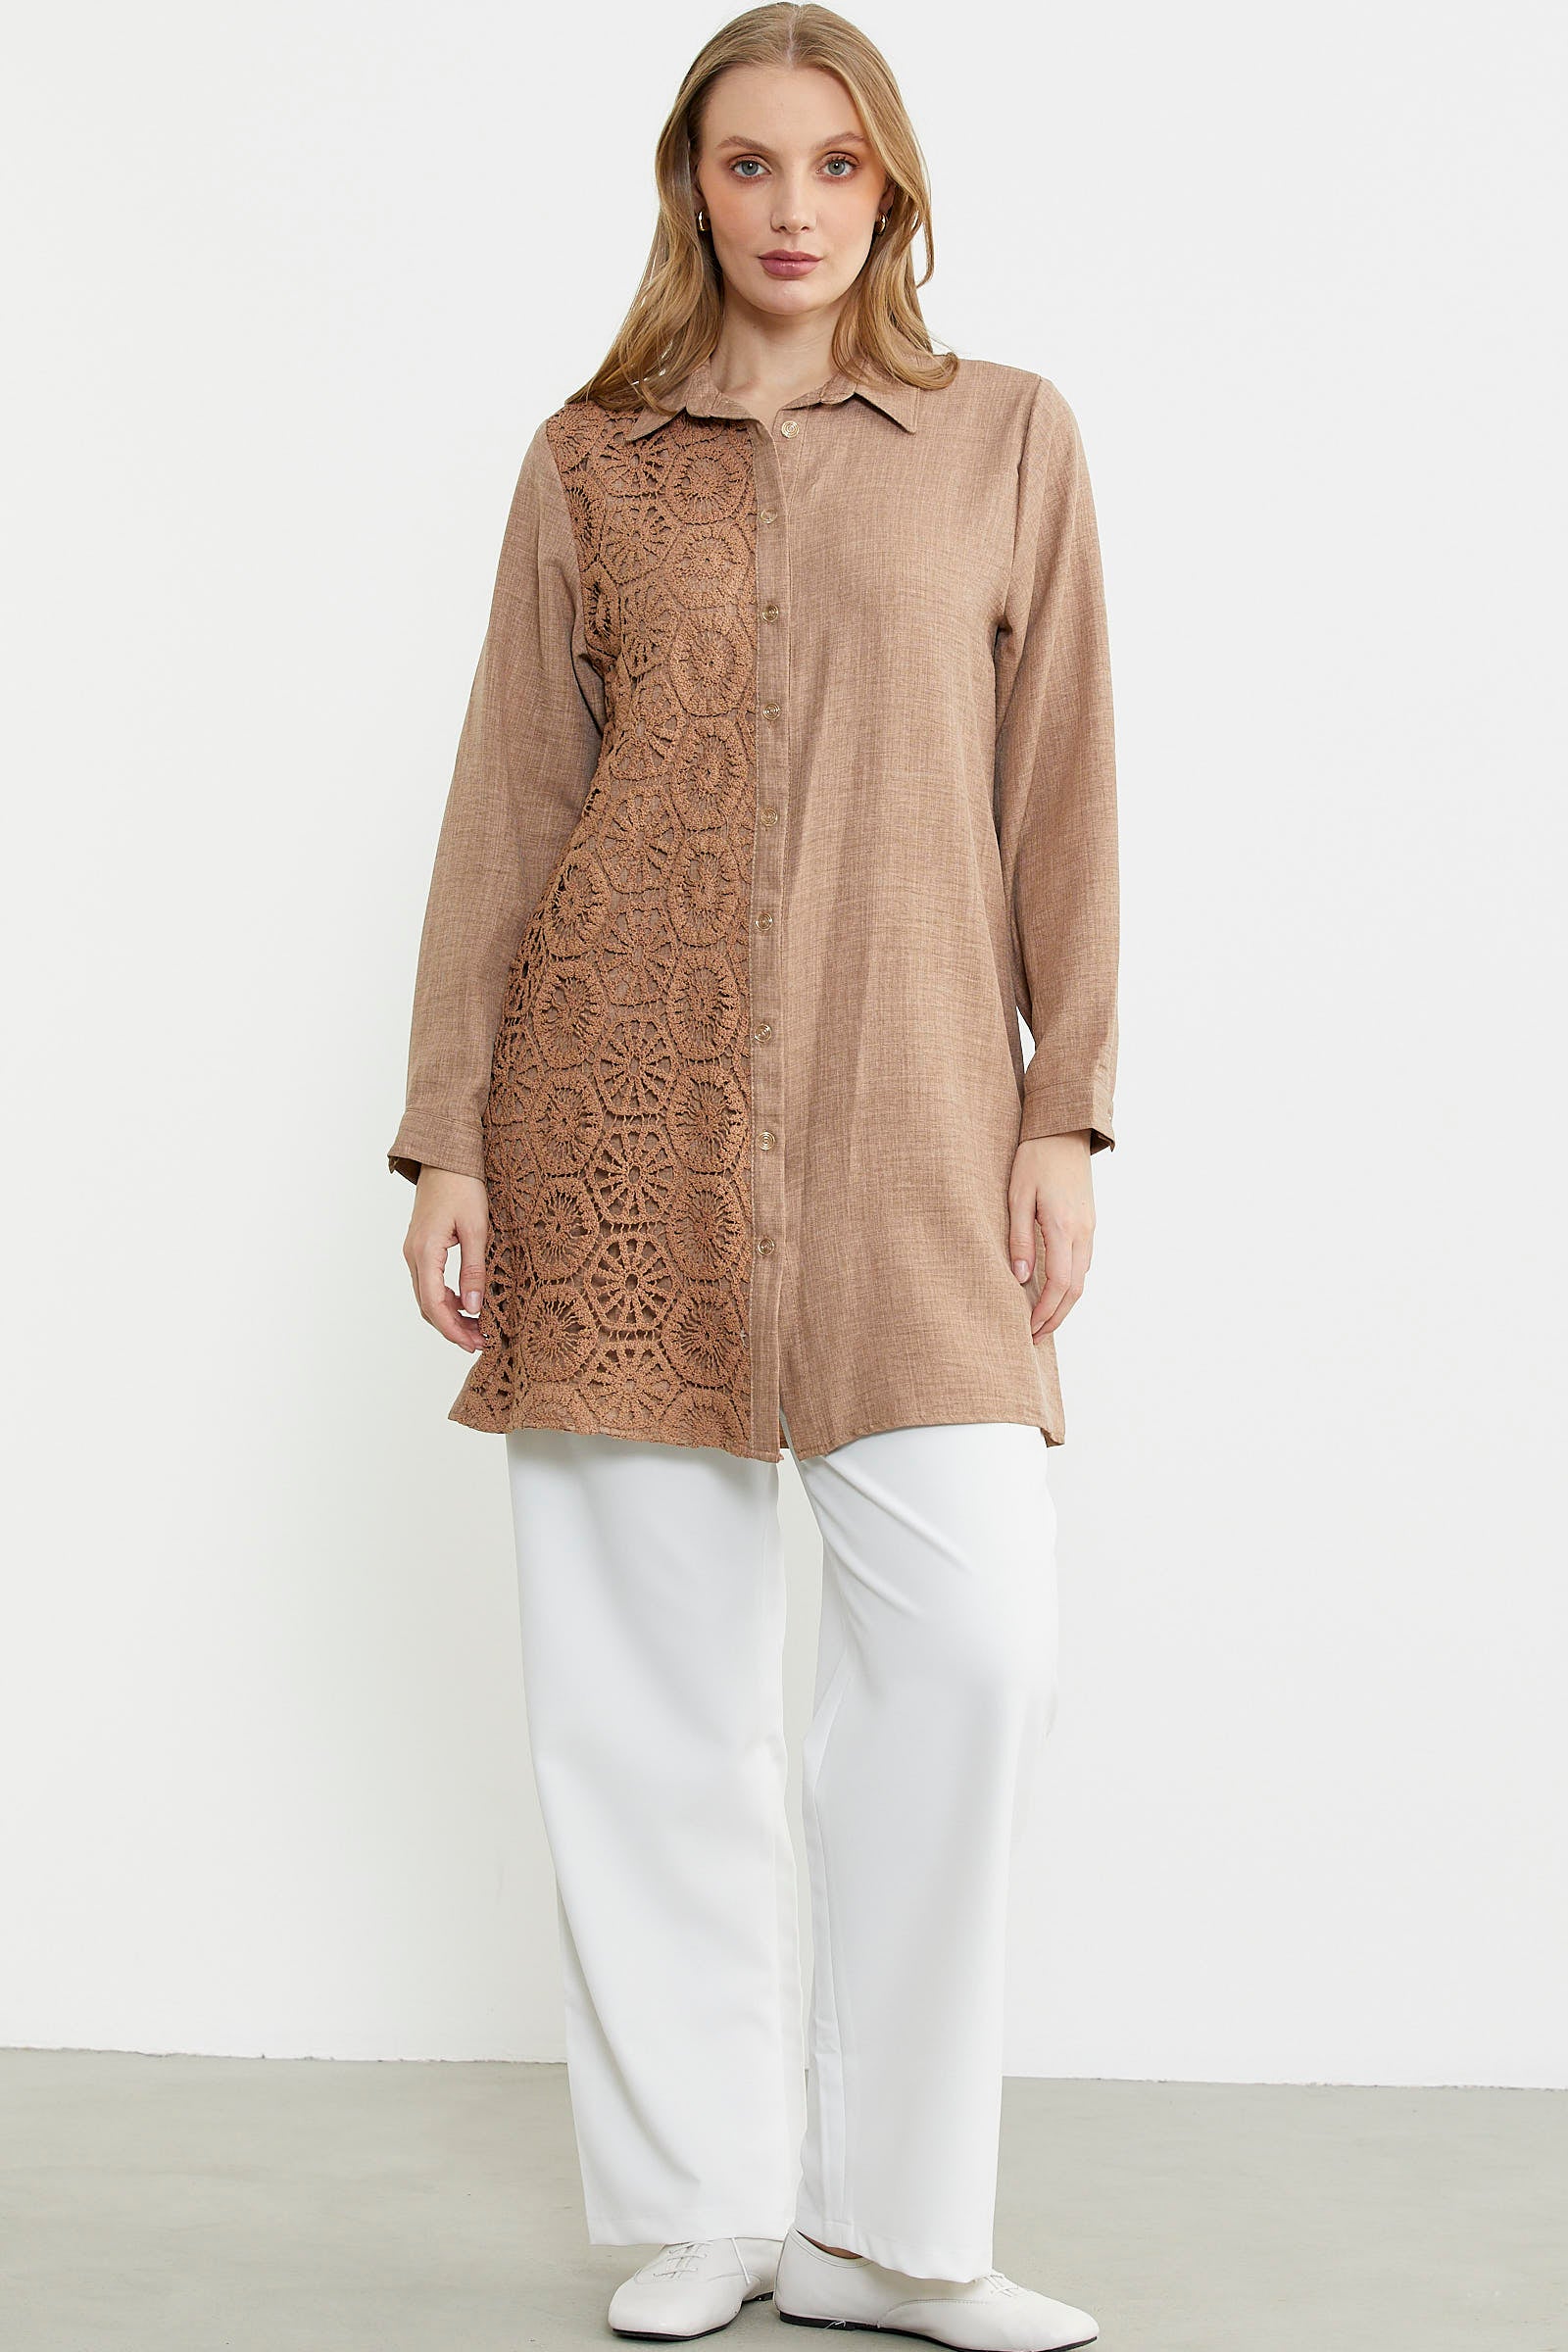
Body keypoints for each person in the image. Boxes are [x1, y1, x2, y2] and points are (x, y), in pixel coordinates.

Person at [387, 8, 1117, 2348]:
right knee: (640, 1700)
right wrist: (451, 1134)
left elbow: (1060, 793)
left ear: (890, 190)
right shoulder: (590, 459)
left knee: (972, 1654)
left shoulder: (1003, 438)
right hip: (614, 1137)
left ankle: (890, 2231)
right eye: (743, 163)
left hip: (913, 1136)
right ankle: (710, 2200)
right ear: (685, 186)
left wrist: (1059, 1111)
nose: (788, 207)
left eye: (832, 164)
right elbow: (512, 797)